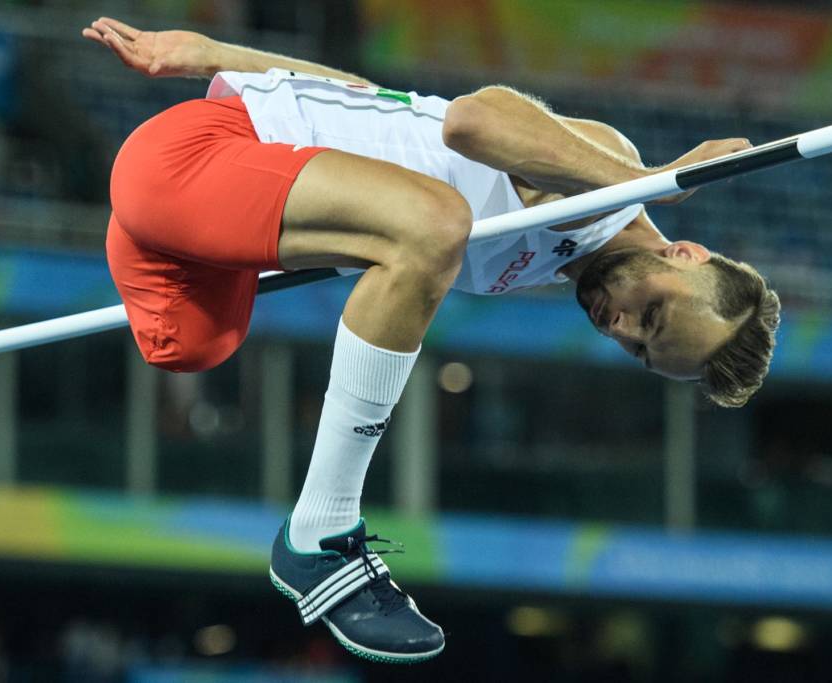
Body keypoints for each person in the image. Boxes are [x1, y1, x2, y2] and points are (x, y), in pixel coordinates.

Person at [83, 17, 780, 663]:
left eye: (638, 349)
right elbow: (473, 119)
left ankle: (154, 236)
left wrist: (211, 55)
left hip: (177, 231)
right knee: (436, 225)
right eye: (651, 315)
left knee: (195, 344)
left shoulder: (547, 261)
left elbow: (370, 97)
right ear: (684, 254)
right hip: (195, 156)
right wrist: (651, 181)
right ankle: (321, 531)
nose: (620, 328)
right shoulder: (603, 184)